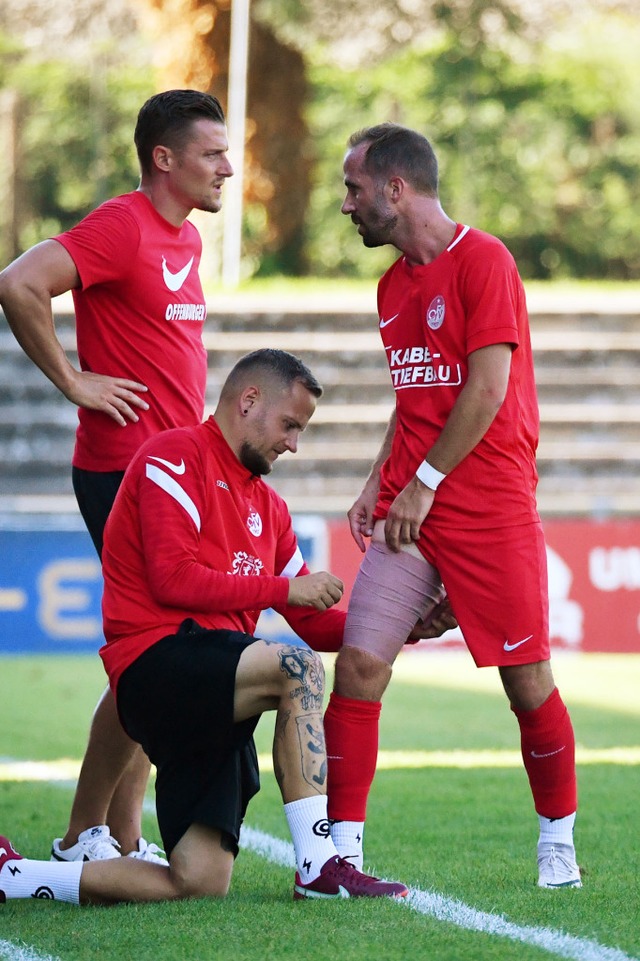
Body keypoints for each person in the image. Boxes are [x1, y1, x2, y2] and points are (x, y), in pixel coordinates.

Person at [0, 348, 412, 905]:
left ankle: (17, 879)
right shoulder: (171, 458)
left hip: (217, 692)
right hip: (158, 665)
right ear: (248, 401)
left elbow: (313, 623)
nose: (294, 443)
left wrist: (405, 626)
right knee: (297, 667)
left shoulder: (271, 509)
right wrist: (284, 588)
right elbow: (174, 580)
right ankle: (319, 864)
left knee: (198, 882)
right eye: (290, 425)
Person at [323, 123, 581, 890]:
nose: (347, 205)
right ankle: (342, 852)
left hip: (487, 507)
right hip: (413, 505)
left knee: (526, 682)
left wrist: (421, 483)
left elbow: (486, 388)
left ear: (396, 190)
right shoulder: (390, 285)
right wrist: (381, 477)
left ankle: (557, 841)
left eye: (355, 189)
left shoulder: (485, 260)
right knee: (363, 662)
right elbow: (416, 396)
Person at [0, 89, 234, 866]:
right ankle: (81, 833)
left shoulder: (187, 242)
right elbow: (18, 282)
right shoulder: (122, 226)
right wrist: (73, 380)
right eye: (212, 153)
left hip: (176, 475)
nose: (227, 169)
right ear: (163, 159)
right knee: (154, 655)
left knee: (157, 651)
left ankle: (118, 834)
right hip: (124, 473)